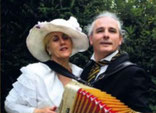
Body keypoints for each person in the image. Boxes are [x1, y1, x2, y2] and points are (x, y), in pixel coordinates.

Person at [5, 16, 89, 113]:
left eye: (65, 38)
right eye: (55, 39)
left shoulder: (81, 73)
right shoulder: (35, 72)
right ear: (48, 48)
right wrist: (37, 111)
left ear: (71, 43)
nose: (62, 42)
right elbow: (9, 104)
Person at [81, 11, 152, 112]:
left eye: (112, 31)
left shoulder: (132, 73)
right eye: (100, 31)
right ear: (91, 39)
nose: (106, 35)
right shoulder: (87, 69)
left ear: (120, 39)